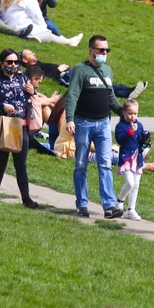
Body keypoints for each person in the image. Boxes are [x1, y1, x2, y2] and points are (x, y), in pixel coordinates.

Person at [65, 35, 124, 218]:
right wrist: (69, 119)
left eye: (107, 50)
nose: (104, 53)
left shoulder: (107, 70)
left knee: (105, 164)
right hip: (83, 123)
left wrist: (123, 113)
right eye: (100, 50)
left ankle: (109, 206)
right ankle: (82, 204)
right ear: (91, 50)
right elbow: (72, 95)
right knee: (81, 164)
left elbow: (110, 96)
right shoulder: (80, 70)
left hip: (104, 124)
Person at [0, 49, 39, 208]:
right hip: (1, 125)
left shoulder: (22, 78)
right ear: (1, 64)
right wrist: (3, 106)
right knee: (1, 162)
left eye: (16, 62)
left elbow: (31, 97)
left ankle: (26, 199)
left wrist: (32, 91)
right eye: (9, 62)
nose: (13, 65)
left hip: (21, 126)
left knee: (21, 164)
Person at [0, 0, 83, 45]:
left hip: (10, 28)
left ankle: (67, 41)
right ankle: (69, 42)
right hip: (24, 28)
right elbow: (38, 17)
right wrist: (44, 28)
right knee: (49, 35)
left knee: (47, 30)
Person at [114, 99, 150, 220]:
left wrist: (146, 139)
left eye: (135, 113)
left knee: (136, 185)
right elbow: (120, 140)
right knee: (130, 182)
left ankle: (131, 209)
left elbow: (141, 142)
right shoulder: (121, 126)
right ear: (124, 113)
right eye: (130, 113)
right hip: (126, 158)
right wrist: (130, 132)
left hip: (137, 158)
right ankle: (119, 202)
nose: (133, 116)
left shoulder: (139, 125)